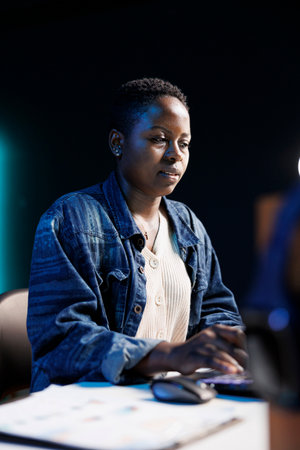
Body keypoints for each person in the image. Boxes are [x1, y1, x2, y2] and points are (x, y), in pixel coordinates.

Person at [27, 77, 247, 392]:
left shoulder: (188, 224)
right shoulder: (72, 217)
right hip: (87, 408)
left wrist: (231, 345)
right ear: (118, 143)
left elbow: (216, 308)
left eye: (183, 143)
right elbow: (62, 342)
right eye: (159, 139)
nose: (175, 155)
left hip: (167, 398)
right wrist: (169, 355)